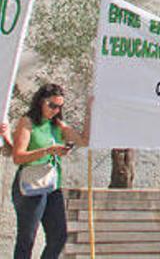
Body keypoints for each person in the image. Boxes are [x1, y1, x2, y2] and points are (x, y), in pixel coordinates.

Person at [11, 83, 89, 259]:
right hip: (30, 185)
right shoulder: (28, 122)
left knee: (58, 236)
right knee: (27, 239)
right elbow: (18, 157)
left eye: (59, 106)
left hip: (52, 185)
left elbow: (84, 140)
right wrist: (47, 150)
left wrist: (90, 110)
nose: (55, 110)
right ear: (41, 102)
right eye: (52, 105)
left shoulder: (58, 125)